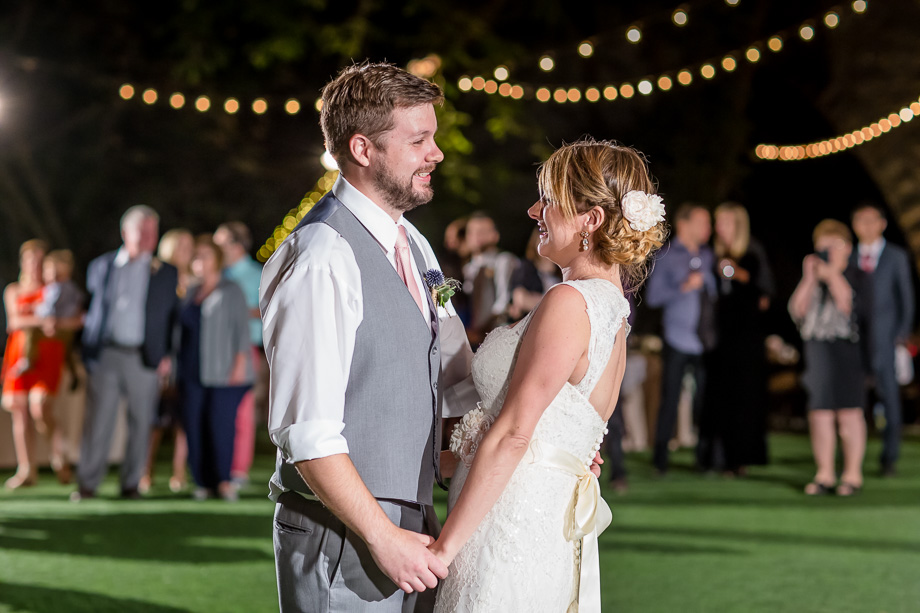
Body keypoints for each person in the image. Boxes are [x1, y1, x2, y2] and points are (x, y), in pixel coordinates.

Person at [261, 62, 476, 612]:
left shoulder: (416, 245)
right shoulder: (321, 256)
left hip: (415, 523)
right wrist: (382, 537)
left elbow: (446, 380)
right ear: (363, 149)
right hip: (345, 535)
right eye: (419, 140)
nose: (437, 153)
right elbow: (306, 432)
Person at [431, 139, 666, 612]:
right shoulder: (613, 314)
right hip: (541, 520)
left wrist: (442, 550)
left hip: (507, 523)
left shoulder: (570, 302)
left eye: (550, 199)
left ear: (591, 220)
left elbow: (517, 434)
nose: (535, 209)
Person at [73, 205, 178, 501]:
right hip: (105, 355)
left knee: (141, 421)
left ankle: (131, 484)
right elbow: (92, 309)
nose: (149, 237)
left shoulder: (166, 273)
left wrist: (167, 355)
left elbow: (171, 317)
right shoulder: (101, 266)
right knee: (98, 422)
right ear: (125, 232)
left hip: (144, 357)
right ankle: (87, 484)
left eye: (152, 232)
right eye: (142, 231)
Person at [789, 220, 866, 496]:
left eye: (833, 246)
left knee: (849, 414)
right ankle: (824, 473)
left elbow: (851, 308)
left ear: (847, 248)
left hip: (846, 350)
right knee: (820, 414)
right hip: (817, 350)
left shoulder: (857, 274)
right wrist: (810, 278)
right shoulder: (814, 278)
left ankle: (852, 474)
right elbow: (797, 311)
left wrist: (833, 274)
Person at [178, 235, 253, 501]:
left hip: (224, 372)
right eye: (196, 256)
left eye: (206, 255)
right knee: (194, 426)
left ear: (217, 260)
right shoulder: (189, 292)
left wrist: (239, 366)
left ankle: (223, 481)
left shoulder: (230, 289)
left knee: (220, 426)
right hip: (190, 371)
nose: (199, 261)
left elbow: (241, 331)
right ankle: (202, 482)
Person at [2, 240, 79, 488]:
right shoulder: (14, 290)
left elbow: (73, 320)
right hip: (20, 353)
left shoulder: (55, 289)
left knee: (40, 406)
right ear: (23, 263)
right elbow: (14, 322)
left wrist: (52, 322)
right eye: (30, 261)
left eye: (39, 261)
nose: (35, 266)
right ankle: (27, 469)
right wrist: (44, 320)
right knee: (20, 412)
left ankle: (59, 454)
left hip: (48, 353)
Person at [645, 203, 716, 474]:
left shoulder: (710, 256)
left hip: (703, 342)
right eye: (702, 222)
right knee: (670, 399)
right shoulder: (667, 255)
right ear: (684, 224)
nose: (707, 229)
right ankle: (660, 460)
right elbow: (653, 297)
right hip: (676, 339)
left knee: (704, 402)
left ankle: (704, 459)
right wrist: (683, 286)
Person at [705, 202, 774, 475]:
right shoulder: (713, 254)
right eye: (717, 222)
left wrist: (736, 272)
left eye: (724, 222)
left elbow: (764, 293)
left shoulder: (751, 253)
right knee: (723, 398)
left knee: (745, 397)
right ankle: (721, 457)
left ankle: (743, 458)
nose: (719, 228)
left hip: (746, 340)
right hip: (723, 339)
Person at [850, 202, 914, 477]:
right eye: (860, 220)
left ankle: (889, 458)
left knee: (890, 401)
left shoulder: (896, 257)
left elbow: (906, 298)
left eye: (870, 220)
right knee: (854, 402)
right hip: (855, 342)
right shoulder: (849, 257)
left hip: (887, 341)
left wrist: (901, 335)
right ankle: (853, 458)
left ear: (882, 224)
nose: (865, 225)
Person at [140, 228, 194, 494]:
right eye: (180, 244)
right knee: (155, 419)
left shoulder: (196, 281)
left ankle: (178, 473)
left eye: (189, 244)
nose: (186, 248)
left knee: (182, 420)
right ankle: (145, 472)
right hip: (163, 356)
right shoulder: (157, 276)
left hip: (189, 357)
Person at [213, 221, 265, 487]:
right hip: (215, 350)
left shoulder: (257, 274)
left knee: (243, 413)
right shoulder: (216, 274)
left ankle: (239, 470)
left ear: (235, 246)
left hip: (246, 349)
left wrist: (235, 313)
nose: (215, 248)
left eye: (220, 243)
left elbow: (268, 311)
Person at [462, 212, 519, 343]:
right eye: (471, 232)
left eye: (482, 232)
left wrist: (480, 332)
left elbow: (503, 302)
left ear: (495, 236)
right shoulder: (468, 268)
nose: (476, 236)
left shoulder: (503, 261)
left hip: (495, 336)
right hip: (470, 336)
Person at [507, 227, 562, 320]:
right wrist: (557, 305)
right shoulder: (526, 267)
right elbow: (521, 299)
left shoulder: (561, 270)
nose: (548, 241)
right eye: (544, 236)